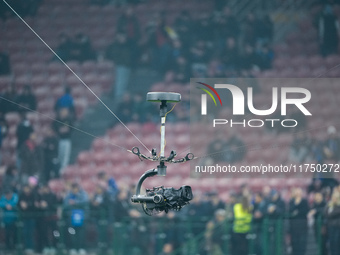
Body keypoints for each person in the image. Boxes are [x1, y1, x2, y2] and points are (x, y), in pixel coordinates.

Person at [106, 33, 133, 101]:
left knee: (125, 81)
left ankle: (122, 95)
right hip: (121, 65)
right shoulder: (116, 46)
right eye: (122, 37)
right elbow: (114, 55)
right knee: (121, 81)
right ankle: (119, 96)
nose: (123, 39)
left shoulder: (127, 45)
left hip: (127, 65)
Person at [63, 183, 89, 254]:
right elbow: (65, 204)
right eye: (73, 188)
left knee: (81, 234)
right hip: (71, 217)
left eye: (76, 188)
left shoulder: (83, 194)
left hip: (82, 217)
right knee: (72, 234)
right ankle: (73, 248)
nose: (75, 190)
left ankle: (81, 248)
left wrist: (75, 203)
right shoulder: (69, 195)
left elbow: (85, 202)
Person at [35, 184, 59, 254]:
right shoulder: (40, 196)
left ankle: (55, 246)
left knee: (55, 232)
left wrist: (47, 205)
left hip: (52, 217)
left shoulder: (53, 195)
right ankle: (46, 246)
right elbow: (37, 205)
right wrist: (39, 205)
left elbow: (55, 205)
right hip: (44, 218)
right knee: (44, 233)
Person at [289, 188, 309, 255]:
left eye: (299, 192)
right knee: (294, 242)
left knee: (302, 242)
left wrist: (297, 212)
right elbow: (290, 210)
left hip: (302, 224)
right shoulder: (292, 201)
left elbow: (305, 211)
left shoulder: (304, 201)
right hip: (294, 225)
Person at [18, 185, 38, 253]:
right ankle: (26, 247)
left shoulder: (33, 195)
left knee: (31, 232)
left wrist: (27, 205)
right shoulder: (21, 196)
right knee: (25, 232)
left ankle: (31, 247)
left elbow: (34, 205)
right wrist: (22, 205)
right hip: (24, 217)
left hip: (31, 217)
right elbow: (19, 205)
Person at [324, 190, 340, 255]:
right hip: (330, 226)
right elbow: (325, 213)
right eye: (333, 197)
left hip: (337, 227)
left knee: (336, 243)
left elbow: (332, 214)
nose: (333, 199)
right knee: (331, 243)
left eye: (335, 198)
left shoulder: (338, 206)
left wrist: (330, 213)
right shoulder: (330, 205)